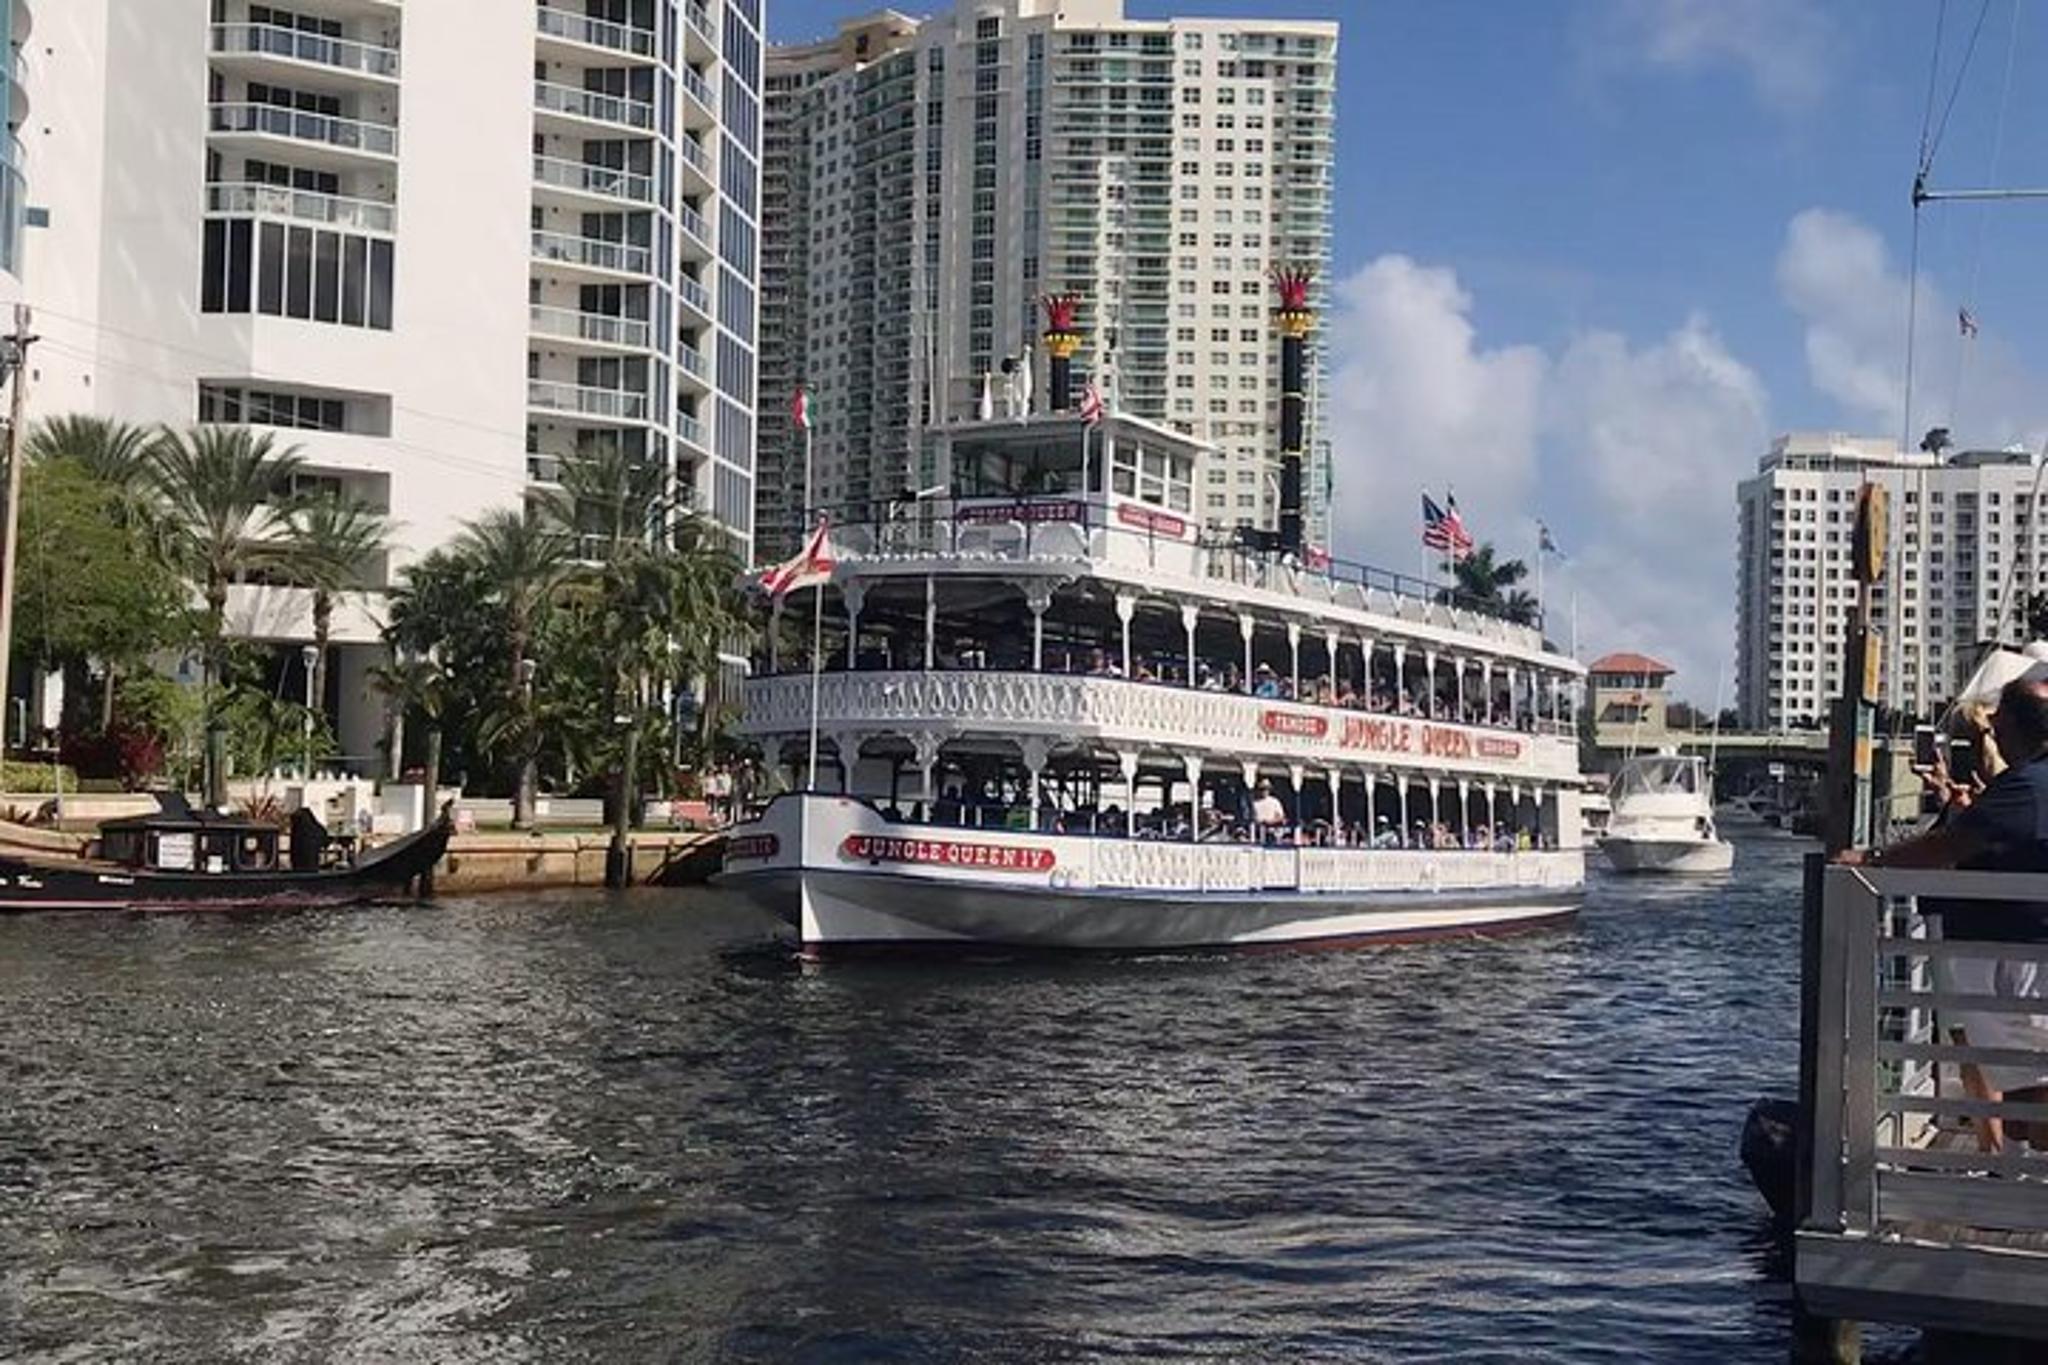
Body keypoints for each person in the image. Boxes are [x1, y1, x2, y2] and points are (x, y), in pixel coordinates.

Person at [1838, 675, 2048, 1151]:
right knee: (2023, 1108)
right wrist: (1958, 803)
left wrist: (1869, 860)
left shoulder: (2029, 787)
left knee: (2033, 1104)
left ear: (2013, 727)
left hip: (2018, 961)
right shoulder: (2022, 789)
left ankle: (2025, 1195)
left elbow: (1951, 845)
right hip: (2010, 956)